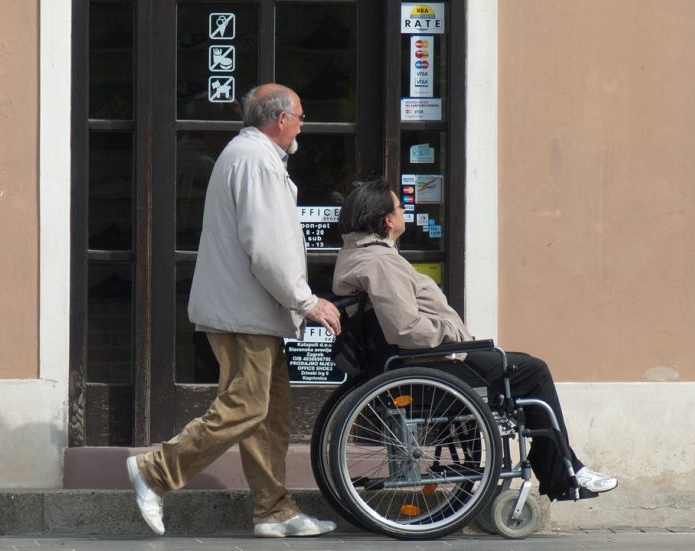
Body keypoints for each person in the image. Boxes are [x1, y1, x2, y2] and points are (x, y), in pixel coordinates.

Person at [126, 83, 343, 538]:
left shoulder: (251, 157)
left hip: (250, 310)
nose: (303, 124)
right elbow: (267, 248)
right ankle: (155, 471)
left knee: (269, 413)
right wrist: (306, 300)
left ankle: (274, 510)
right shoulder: (257, 160)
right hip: (245, 311)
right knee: (246, 407)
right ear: (280, 119)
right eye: (300, 116)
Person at [331, 179, 618, 501]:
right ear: (387, 219)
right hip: (429, 364)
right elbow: (406, 329)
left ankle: (560, 464)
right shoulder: (381, 262)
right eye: (400, 207)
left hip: (421, 363)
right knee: (532, 371)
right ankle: (563, 468)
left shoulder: (358, 256)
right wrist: (452, 335)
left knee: (519, 365)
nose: (404, 212)